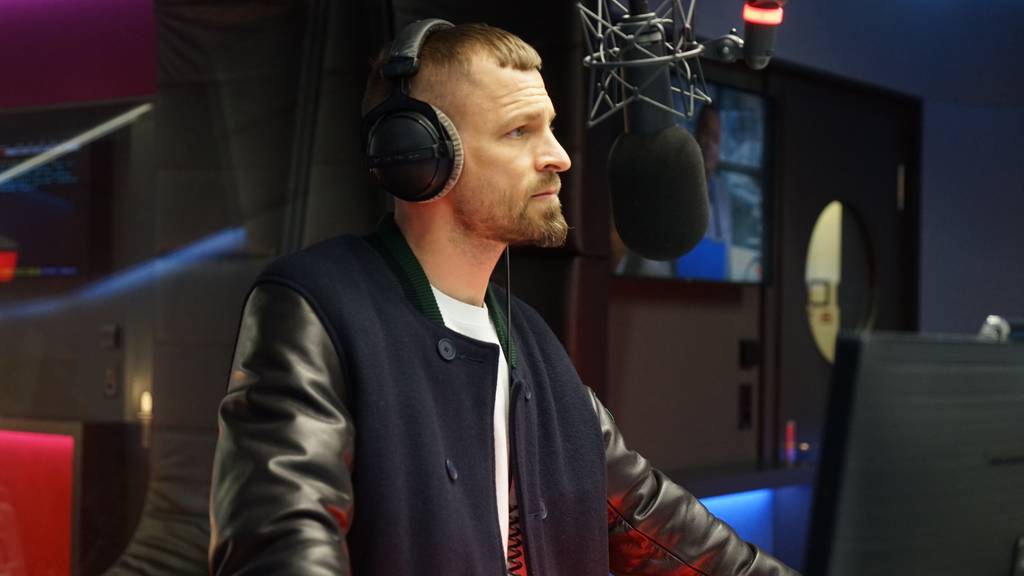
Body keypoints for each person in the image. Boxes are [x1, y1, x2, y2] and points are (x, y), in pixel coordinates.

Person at [209, 19, 799, 576]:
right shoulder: (315, 308)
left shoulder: (530, 341)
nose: (559, 156)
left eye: (550, 127)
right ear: (419, 155)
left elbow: (653, 517)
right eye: (519, 132)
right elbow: (284, 548)